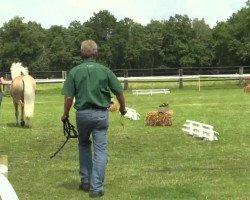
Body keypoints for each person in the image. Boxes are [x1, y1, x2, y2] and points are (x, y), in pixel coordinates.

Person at [61, 40, 126, 198]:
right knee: (100, 151)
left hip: (82, 115)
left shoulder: (75, 72)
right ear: (96, 53)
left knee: (83, 145)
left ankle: (85, 181)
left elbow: (69, 97)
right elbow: (119, 92)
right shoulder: (105, 70)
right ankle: (96, 187)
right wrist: (123, 108)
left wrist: (65, 114)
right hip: (100, 115)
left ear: (82, 53)